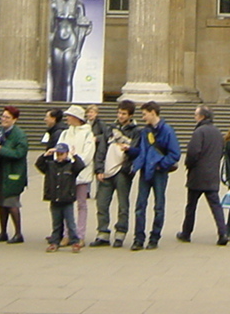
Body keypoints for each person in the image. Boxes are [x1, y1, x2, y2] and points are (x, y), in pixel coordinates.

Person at [128, 101, 180, 251]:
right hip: (145, 170)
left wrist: (161, 164)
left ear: (152, 112)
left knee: (158, 206)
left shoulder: (167, 130)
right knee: (140, 206)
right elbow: (142, 151)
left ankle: (154, 237)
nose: (143, 117)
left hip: (159, 172)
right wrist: (131, 152)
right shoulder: (145, 131)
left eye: (144, 114)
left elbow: (175, 153)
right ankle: (138, 238)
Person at [177, 106, 228, 246]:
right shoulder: (218, 132)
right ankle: (223, 232)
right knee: (216, 205)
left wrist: (188, 164)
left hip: (198, 174)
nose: (194, 117)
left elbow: (193, 152)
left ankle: (186, 233)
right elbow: (221, 151)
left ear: (202, 117)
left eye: (196, 115)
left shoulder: (199, 132)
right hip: (212, 174)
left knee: (191, 206)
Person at [93, 100, 139, 248]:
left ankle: (120, 233)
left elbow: (137, 152)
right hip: (107, 170)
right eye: (119, 112)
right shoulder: (110, 129)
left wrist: (129, 150)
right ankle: (103, 233)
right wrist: (99, 169)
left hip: (123, 171)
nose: (120, 116)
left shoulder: (136, 131)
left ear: (130, 115)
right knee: (102, 203)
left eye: (124, 114)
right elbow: (101, 150)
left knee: (123, 205)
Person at [36, 142, 85, 252]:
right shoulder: (51, 165)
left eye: (62, 154)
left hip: (67, 199)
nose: (59, 156)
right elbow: (39, 165)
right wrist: (46, 155)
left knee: (70, 223)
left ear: (66, 154)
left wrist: (75, 155)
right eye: (58, 154)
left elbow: (80, 166)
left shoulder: (71, 166)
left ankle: (75, 242)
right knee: (56, 223)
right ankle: (54, 242)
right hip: (55, 198)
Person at [0, 106, 28, 243]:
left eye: (7, 117)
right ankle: (3, 232)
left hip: (14, 174)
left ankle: (18, 233)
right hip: (1, 173)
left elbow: (20, 153)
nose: (4, 120)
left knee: (12, 203)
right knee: (1, 204)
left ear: (15, 120)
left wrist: (2, 150)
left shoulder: (20, 135)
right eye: (3, 116)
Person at [59, 105, 96, 241]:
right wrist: (64, 160)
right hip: (66, 173)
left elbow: (88, 154)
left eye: (69, 116)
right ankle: (67, 234)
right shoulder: (65, 133)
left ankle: (80, 235)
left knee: (81, 204)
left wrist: (75, 162)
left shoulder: (87, 133)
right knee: (65, 203)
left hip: (81, 173)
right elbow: (60, 149)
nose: (67, 118)